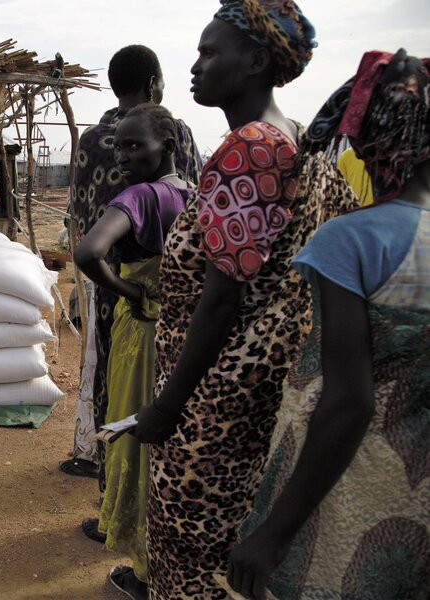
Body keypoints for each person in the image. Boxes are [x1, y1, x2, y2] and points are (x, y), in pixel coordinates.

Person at [126, 2, 359, 598]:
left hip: (212, 399)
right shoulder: (297, 141)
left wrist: (168, 406)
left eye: (210, 52)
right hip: (257, 389)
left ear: (255, 61)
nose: (195, 66)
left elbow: (222, 299)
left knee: (190, 551)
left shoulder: (249, 150)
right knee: (229, 548)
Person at [225, 49, 430, 600]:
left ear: (371, 139)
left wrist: (274, 532)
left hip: (361, 486)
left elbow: (350, 401)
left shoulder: (354, 239)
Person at [63, 45, 204, 483]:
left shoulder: (90, 141)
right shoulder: (173, 132)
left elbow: (80, 222)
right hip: (173, 280)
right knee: (166, 377)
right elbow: (195, 199)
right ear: (153, 84)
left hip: (109, 280)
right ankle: (145, 483)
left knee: (110, 375)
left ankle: (112, 480)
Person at [74, 104, 193, 597]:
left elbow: (86, 252)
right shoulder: (193, 190)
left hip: (142, 332)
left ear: (165, 144)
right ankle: (164, 556)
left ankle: (144, 570)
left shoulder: (141, 197)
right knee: (171, 447)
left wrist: (130, 292)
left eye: (134, 145)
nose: (122, 155)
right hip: (183, 331)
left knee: (137, 438)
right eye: (118, 145)